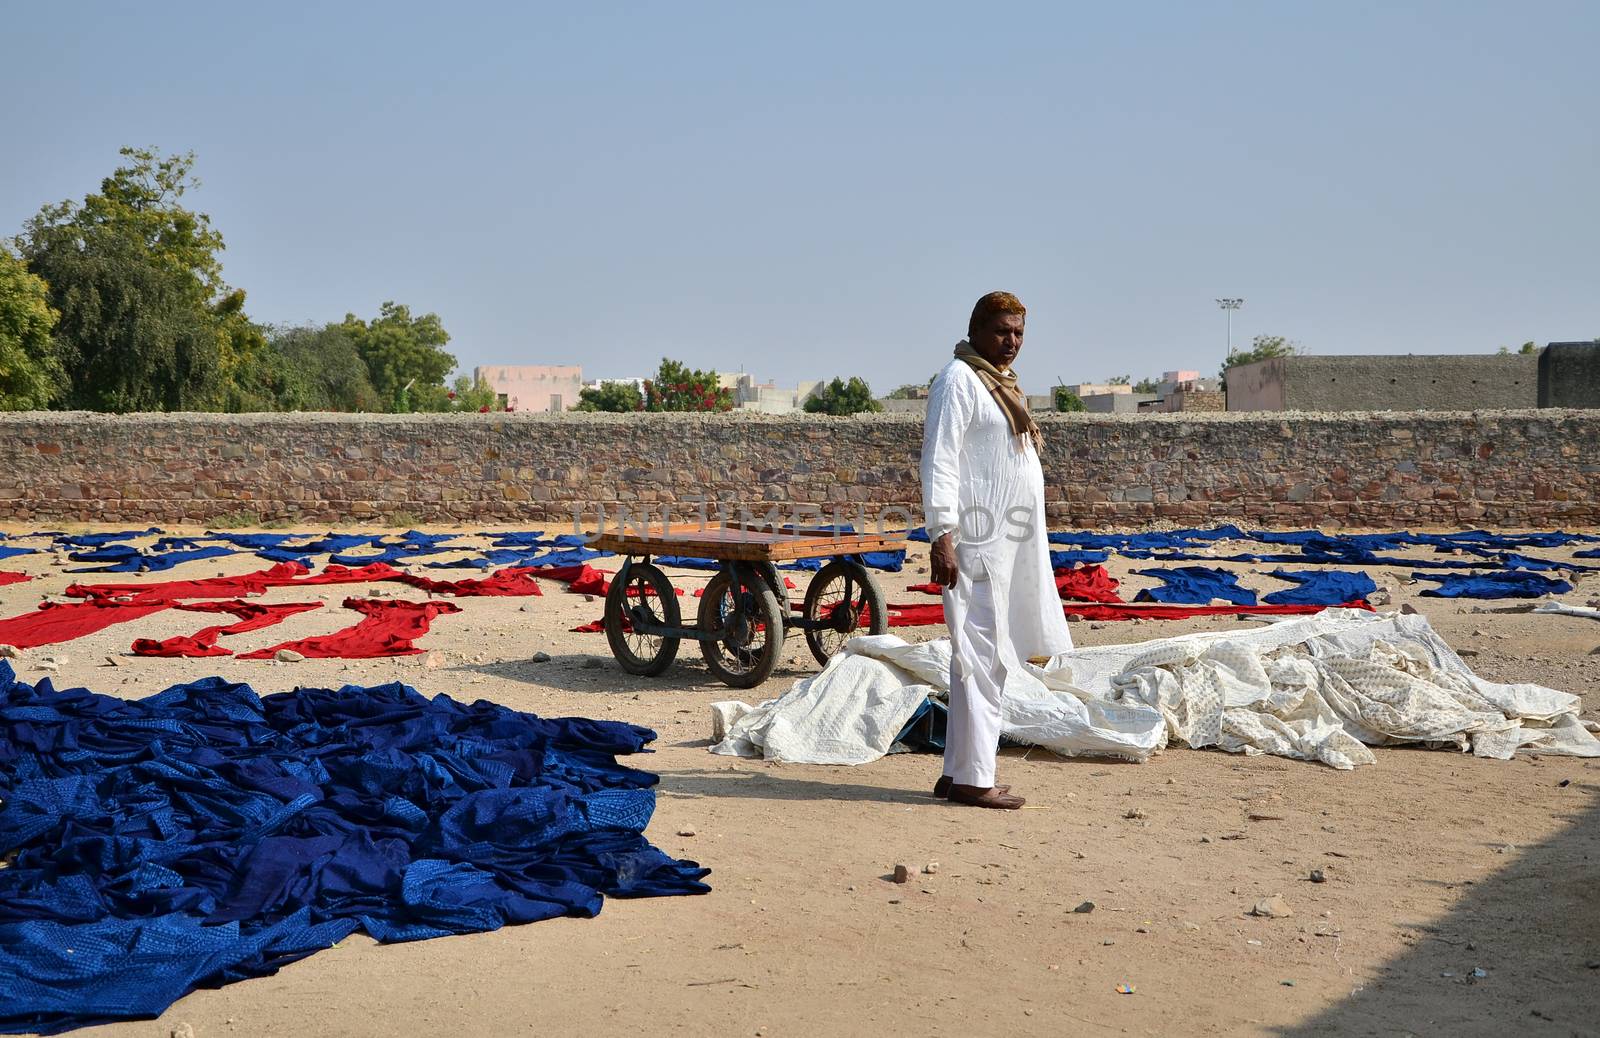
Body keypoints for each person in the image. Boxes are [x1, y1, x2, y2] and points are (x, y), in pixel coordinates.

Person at [919, 291, 1073, 809]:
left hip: (1009, 541)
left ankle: (960, 772)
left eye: (1019, 334)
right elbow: (939, 460)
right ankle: (975, 780)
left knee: (982, 657)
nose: (1011, 342)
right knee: (982, 656)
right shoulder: (959, 380)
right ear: (978, 330)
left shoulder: (1001, 386)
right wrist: (942, 535)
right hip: (977, 541)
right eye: (1003, 332)